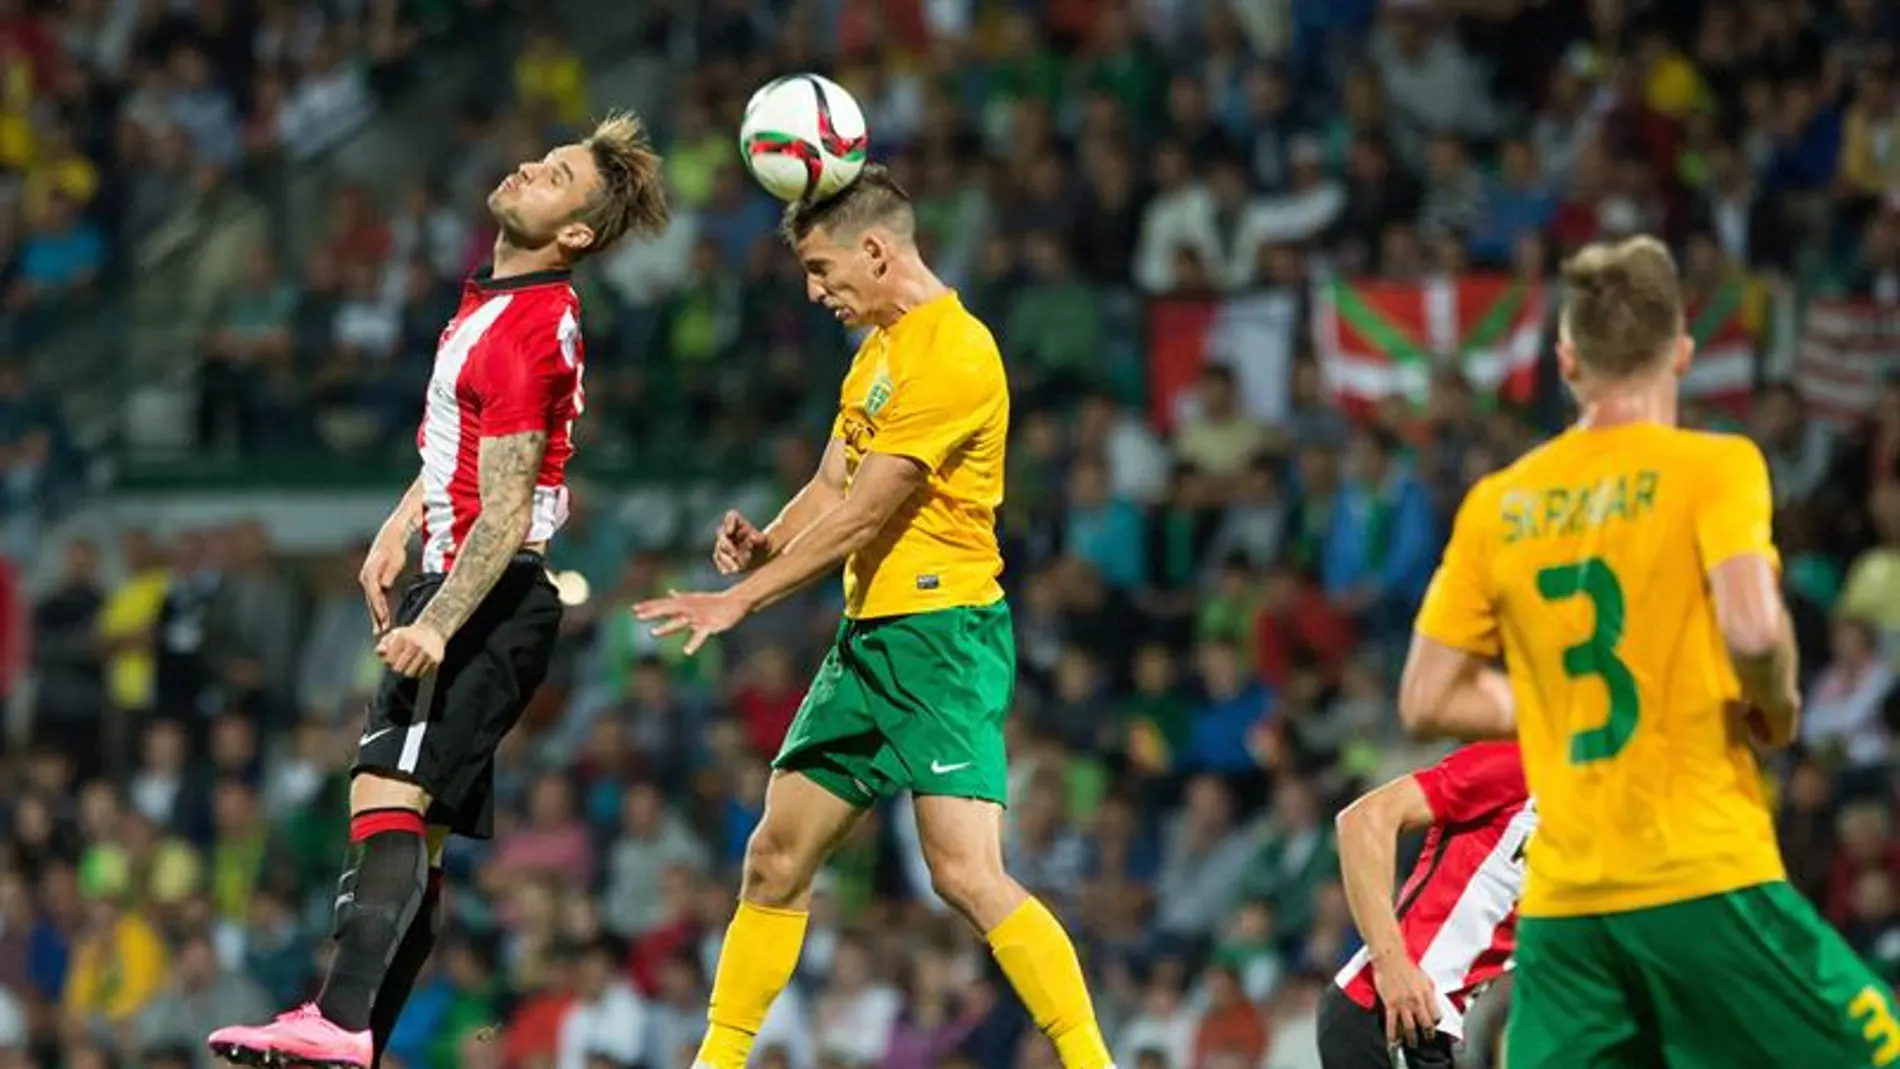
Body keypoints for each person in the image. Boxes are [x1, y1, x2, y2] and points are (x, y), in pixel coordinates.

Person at [208, 113, 670, 1069]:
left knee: (385, 795)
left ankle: (337, 1022)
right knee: (420, 838)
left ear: (575, 234)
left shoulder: (525, 328)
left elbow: (503, 514)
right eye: (541, 157)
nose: (529, 166)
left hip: (482, 594)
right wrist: (401, 520)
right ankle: (358, 1040)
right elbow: (470, 448)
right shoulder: (501, 301)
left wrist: (439, 623)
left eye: (555, 178)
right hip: (477, 583)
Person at [634, 166, 1115, 1069]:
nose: (816, 292)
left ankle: (1093, 1060)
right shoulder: (878, 353)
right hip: (870, 641)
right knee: (774, 857)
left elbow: (865, 515)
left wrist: (739, 600)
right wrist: (766, 542)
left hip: (943, 641)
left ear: (875, 249)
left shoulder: (955, 354)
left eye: (821, 270)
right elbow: (830, 486)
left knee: (965, 876)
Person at [1396, 235, 1900, 1067]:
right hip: (1699, 873)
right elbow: (1754, 629)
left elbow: (1423, 697)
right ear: (1683, 352)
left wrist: (1550, 702)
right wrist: (1775, 703)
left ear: (1566, 361)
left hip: (1564, 909)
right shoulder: (1714, 467)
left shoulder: (1498, 504)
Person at [1322, 741, 1532, 1069]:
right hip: (1389, 1011)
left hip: (1435, 1025)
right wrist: (1392, 964)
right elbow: (1363, 819)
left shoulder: (1606, 835)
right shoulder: (1520, 765)